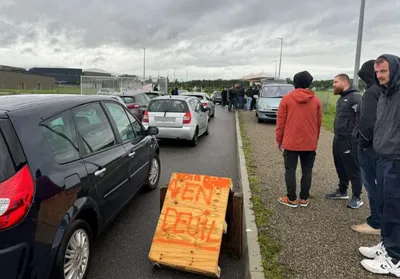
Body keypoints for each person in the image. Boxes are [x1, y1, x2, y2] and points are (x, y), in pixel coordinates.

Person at [359, 54, 400, 276]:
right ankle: (387, 246)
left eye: (383, 71)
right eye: (376, 72)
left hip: (396, 160)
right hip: (383, 157)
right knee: (384, 206)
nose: (379, 76)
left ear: (394, 69)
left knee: (395, 209)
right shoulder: (385, 94)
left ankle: (395, 259)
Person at [276, 71, 322, 207]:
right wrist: (315, 139)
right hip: (310, 142)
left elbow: (280, 123)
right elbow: (318, 123)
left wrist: (279, 140)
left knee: (290, 169)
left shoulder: (286, 99)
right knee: (307, 170)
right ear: (309, 83)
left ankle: (291, 198)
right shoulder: (316, 100)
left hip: (290, 142)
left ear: (294, 83)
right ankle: (304, 198)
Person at [351, 60, 381, 235]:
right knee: (382, 185)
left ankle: (375, 222)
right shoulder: (385, 91)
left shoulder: (370, 93)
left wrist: (362, 143)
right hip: (382, 146)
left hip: (369, 147)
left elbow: (367, 123)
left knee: (371, 185)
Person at [326, 74, 363, 209]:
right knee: (340, 165)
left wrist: (354, 137)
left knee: (353, 168)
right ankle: (342, 191)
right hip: (338, 138)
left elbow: (362, 119)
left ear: (344, 82)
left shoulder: (356, 98)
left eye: (335, 82)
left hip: (349, 140)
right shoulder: (342, 98)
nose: (333, 84)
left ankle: (357, 197)